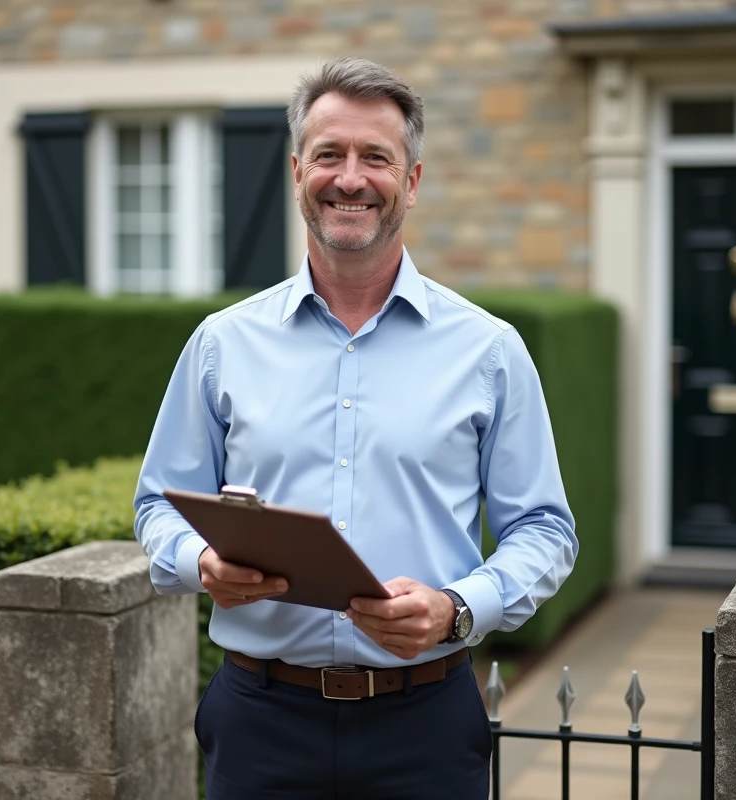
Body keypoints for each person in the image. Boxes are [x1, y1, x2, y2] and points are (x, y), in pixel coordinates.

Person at [133, 56, 578, 800]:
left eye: (376, 157)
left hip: (426, 727)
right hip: (259, 721)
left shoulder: (490, 351)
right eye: (331, 155)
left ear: (411, 181)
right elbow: (157, 506)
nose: (350, 178)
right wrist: (201, 562)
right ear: (298, 168)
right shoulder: (221, 343)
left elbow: (544, 530)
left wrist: (457, 609)